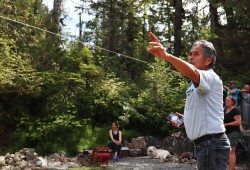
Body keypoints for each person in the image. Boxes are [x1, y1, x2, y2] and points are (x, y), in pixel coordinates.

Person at [147, 32, 230, 170]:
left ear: (208, 60)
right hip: (206, 145)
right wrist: (187, 120)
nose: (191, 57)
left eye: (196, 54)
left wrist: (167, 56)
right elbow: (205, 111)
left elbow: (194, 73)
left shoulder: (209, 76)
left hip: (212, 144)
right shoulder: (194, 83)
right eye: (190, 54)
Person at [224, 96, 242, 170]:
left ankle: (231, 169)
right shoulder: (225, 110)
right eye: (225, 100)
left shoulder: (235, 110)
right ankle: (233, 167)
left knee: (232, 150)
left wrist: (227, 124)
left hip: (234, 132)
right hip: (226, 132)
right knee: (227, 150)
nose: (226, 101)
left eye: (228, 100)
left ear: (232, 102)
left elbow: (238, 122)